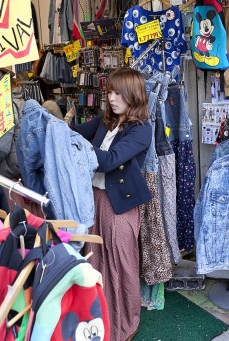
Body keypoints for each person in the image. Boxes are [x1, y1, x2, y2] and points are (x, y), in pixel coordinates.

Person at [74, 68, 152, 341]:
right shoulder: (104, 122)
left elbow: (109, 161)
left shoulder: (142, 130)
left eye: (119, 93)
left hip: (121, 205)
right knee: (94, 258)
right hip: (94, 199)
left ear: (133, 95)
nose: (112, 98)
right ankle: (102, 317)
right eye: (109, 92)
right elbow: (72, 132)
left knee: (122, 262)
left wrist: (78, 146)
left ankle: (127, 323)